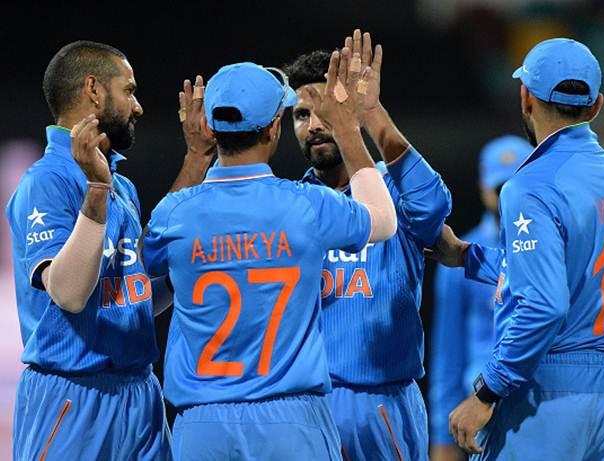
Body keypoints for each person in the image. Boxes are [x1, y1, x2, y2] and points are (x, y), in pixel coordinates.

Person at [142, 50, 397, 460]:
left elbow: (143, 261)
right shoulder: (307, 205)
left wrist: (194, 157)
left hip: (202, 425)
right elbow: (383, 221)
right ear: (274, 128)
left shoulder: (177, 212)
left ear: (208, 125)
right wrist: (349, 129)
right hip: (291, 422)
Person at [430, 38, 604, 460]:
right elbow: (569, 272)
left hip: (546, 396)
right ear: (597, 104)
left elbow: (545, 303)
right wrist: (469, 256)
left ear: (525, 97)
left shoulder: (530, 185)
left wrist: (487, 391)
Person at [6, 40, 213, 461]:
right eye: (129, 90)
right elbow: (68, 292)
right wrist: (96, 191)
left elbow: (132, 292)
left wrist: (197, 159)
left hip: (139, 395)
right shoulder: (45, 182)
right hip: (73, 398)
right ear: (94, 90)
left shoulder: (121, 185)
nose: (137, 107)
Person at [284, 30, 452, 460]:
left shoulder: (395, 191)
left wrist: (370, 114)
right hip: (305, 405)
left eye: (328, 112)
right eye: (302, 115)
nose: (315, 125)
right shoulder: (290, 204)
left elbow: (433, 206)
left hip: (382, 404)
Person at [429, 135, 530, 461]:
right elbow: (447, 353)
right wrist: (441, 434)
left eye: (514, 184)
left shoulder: (551, 251)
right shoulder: (460, 259)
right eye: (499, 188)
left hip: (535, 402)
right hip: (480, 405)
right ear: (484, 188)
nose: (506, 196)